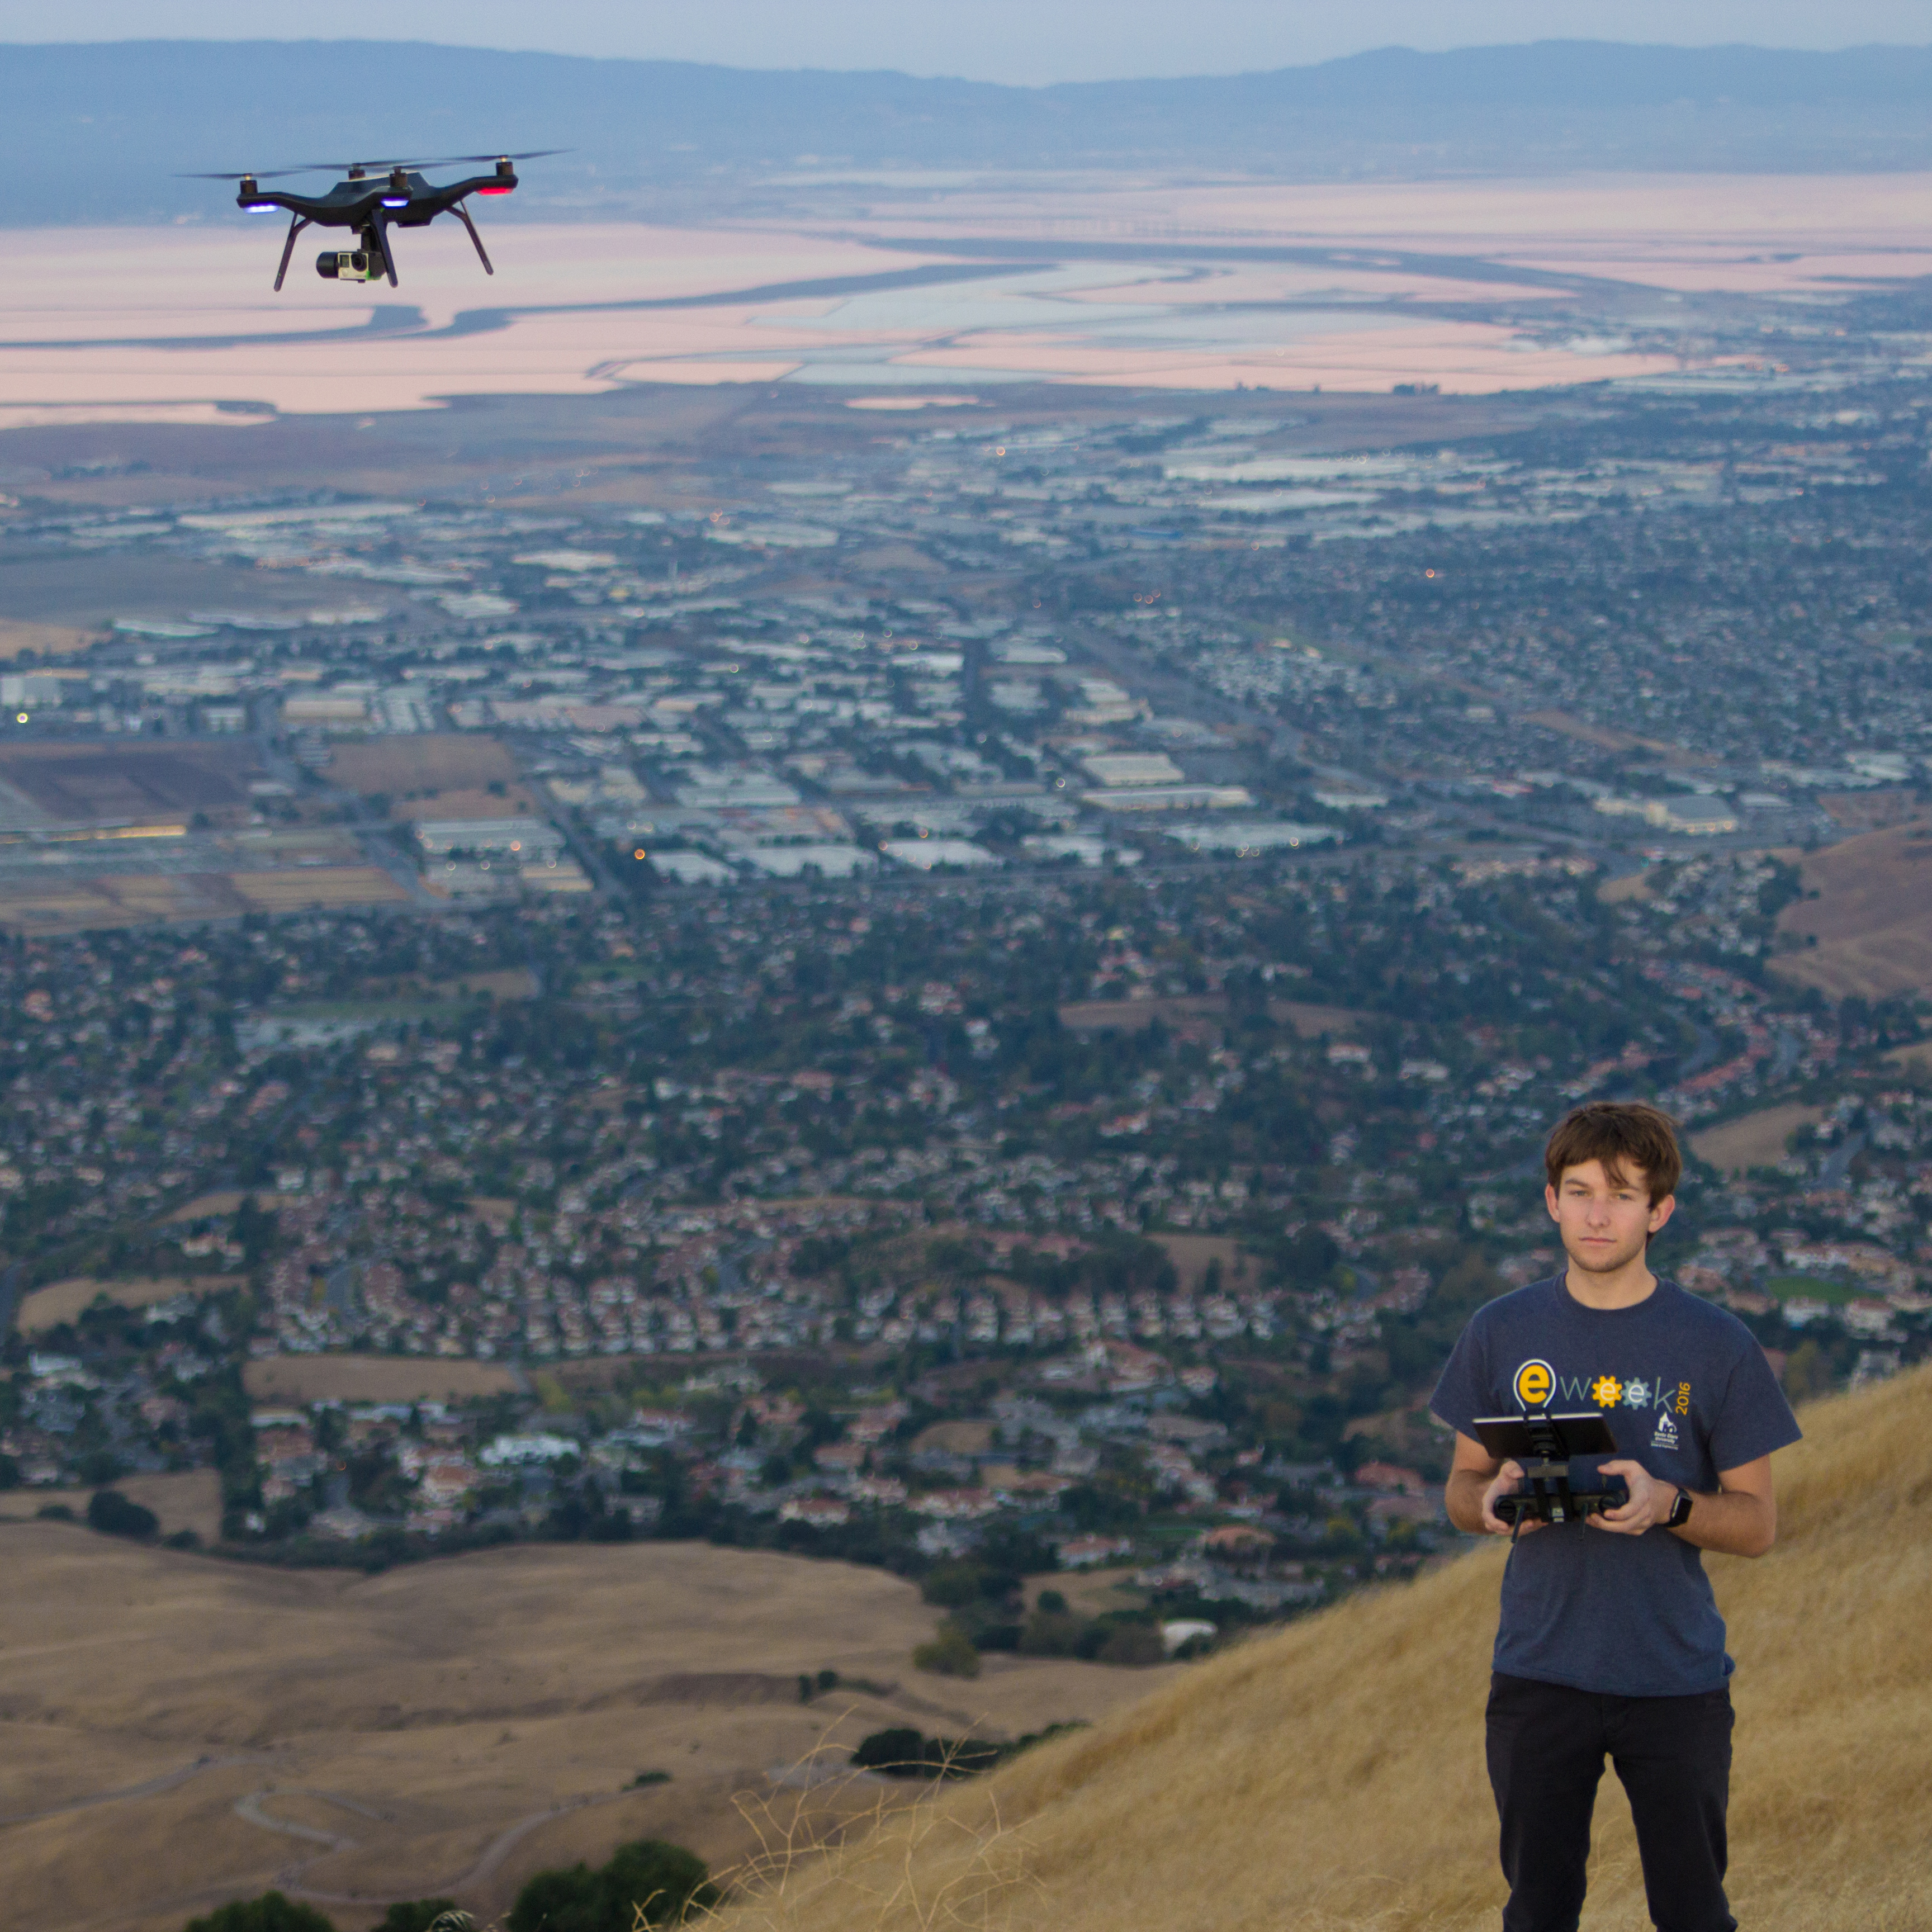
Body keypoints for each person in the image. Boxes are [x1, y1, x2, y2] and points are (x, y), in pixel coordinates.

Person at [1431, 1100, 1801, 1932]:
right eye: (1581, 1190)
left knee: (1694, 1915)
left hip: (1675, 1680)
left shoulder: (1718, 1345)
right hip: (1538, 1673)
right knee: (1538, 1913)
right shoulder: (1499, 1331)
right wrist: (1487, 1501)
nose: (1599, 1213)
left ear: (1660, 1211)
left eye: (1624, 1194)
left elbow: (1757, 1524)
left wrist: (1665, 1505)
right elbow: (1460, 1487)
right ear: (1551, 1201)